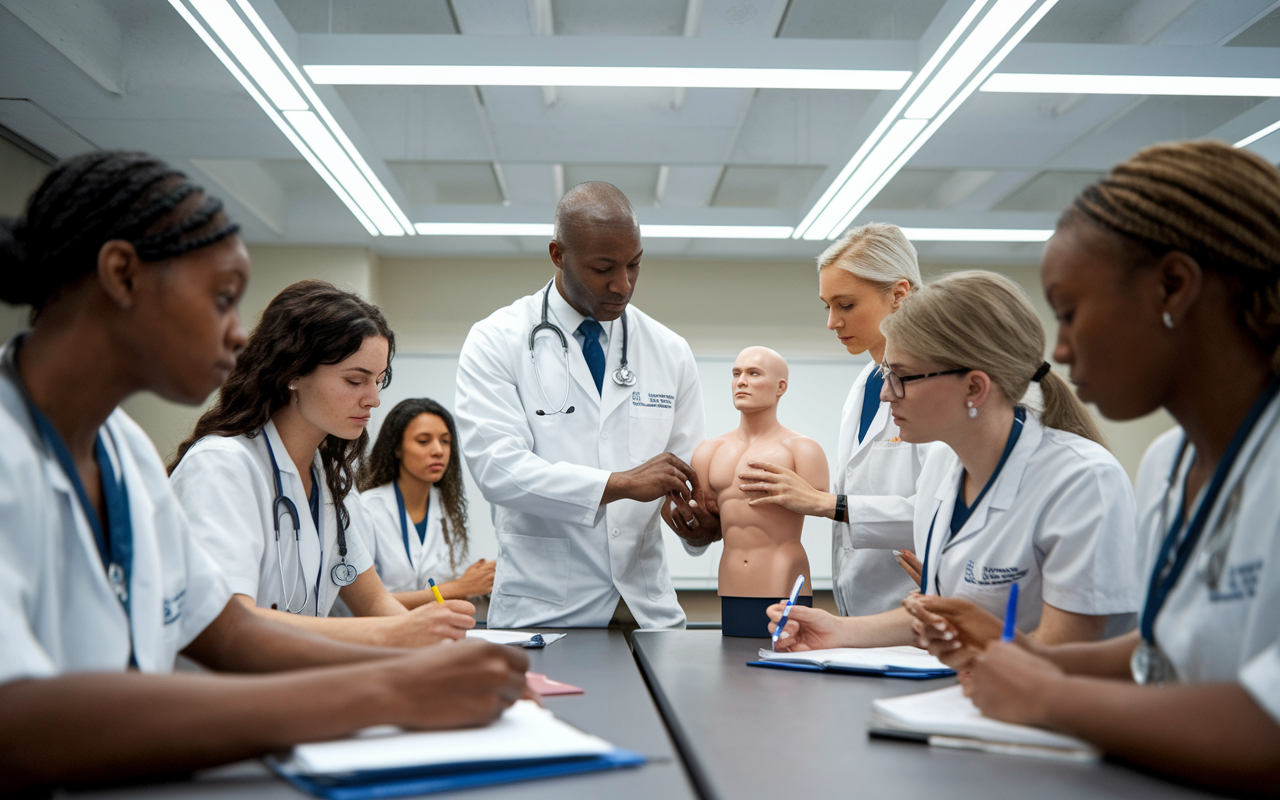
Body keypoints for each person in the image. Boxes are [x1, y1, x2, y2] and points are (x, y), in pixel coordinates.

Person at [0, 151, 527, 792]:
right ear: (122, 274)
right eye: (222, 300)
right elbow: (18, 723)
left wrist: (407, 659)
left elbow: (224, 631)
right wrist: (385, 684)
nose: (235, 336)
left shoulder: (124, 452)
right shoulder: (28, 451)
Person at [906, 140, 1280, 793]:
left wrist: (1046, 697)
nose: (1061, 349)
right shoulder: (1169, 464)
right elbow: (1163, 654)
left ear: (1174, 286)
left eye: (1071, 312)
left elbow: (1267, 722)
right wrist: (1019, 659)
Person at [769, 270, 1141, 649]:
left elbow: (1068, 650)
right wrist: (837, 631)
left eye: (902, 377)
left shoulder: (1082, 481)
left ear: (974, 387)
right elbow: (943, 613)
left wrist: (976, 650)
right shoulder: (944, 471)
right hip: (963, 696)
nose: (885, 395)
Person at [455, 181, 709, 630]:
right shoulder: (496, 339)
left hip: (645, 610)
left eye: (634, 265)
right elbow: (499, 470)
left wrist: (699, 527)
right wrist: (619, 483)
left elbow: (685, 476)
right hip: (543, 610)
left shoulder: (669, 350)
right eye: (603, 267)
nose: (622, 284)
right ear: (557, 254)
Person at [170, 280, 475, 645]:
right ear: (293, 372)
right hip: (224, 694)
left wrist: (445, 644)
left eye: (378, 382)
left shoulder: (329, 480)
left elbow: (376, 602)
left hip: (296, 686)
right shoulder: (221, 467)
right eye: (355, 380)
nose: (374, 400)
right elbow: (229, 622)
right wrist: (399, 631)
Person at [730, 224, 927, 616]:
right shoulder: (865, 385)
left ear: (898, 295)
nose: (832, 322)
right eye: (827, 306)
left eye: (846, 305)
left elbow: (940, 510)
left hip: (913, 607)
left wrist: (827, 504)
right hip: (857, 608)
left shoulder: (936, 387)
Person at [691, 347, 827, 637]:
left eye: (754, 373)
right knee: (732, 666)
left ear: (781, 387)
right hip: (731, 576)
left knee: (783, 666)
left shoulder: (802, 449)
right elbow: (705, 522)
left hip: (783, 572)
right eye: (736, 374)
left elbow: (824, 505)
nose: (741, 381)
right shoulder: (708, 452)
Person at [357, 397, 494, 606]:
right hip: (382, 633)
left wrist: (479, 578)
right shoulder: (367, 508)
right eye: (423, 441)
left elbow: (457, 580)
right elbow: (363, 603)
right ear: (397, 448)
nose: (438, 450)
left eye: (445, 441)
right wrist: (460, 587)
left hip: (435, 629)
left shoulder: (449, 509)